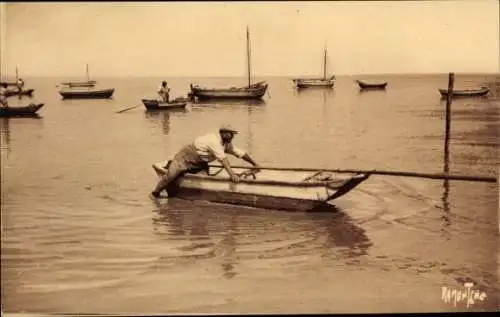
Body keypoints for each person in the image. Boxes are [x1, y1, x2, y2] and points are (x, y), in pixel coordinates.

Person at [151, 124, 260, 198]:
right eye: (230, 134)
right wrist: (232, 174)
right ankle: (155, 193)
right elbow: (223, 159)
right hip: (185, 158)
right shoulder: (214, 140)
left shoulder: (226, 143)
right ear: (223, 133)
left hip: (200, 163)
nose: (232, 136)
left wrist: (254, 164)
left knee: (203, 180)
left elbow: (240, 153)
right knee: (170, 176)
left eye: (232, 135)